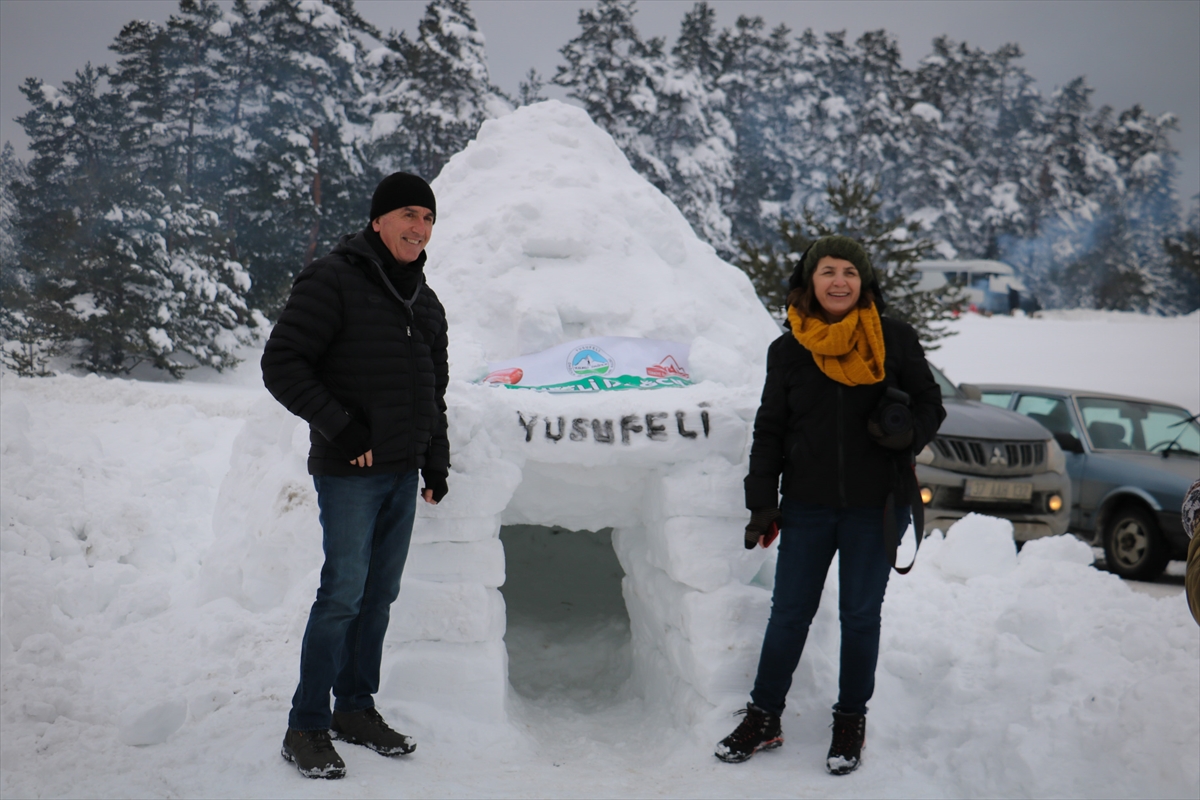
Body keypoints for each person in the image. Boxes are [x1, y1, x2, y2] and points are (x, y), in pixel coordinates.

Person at [714, 235, 945, 774]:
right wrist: (761, 504)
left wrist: (907, 434)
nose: (839, 281)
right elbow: (770, 428)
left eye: (848, 271)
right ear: (809, 280)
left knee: (861, 617)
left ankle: (849, 720)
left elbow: (932, 402)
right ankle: (764, 716)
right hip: (808, 506)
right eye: (827, 271)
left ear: (864, 280)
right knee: (788, 614)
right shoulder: (789, 348)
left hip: (876, 506)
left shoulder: (894, 338)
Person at [261, 172, 450, 780]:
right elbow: (282, 363)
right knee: (342, 595)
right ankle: (307, 724)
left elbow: (432, 392)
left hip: (401, 471)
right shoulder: (333, 279)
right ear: (378, 220)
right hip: (349, 471)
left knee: (379, 596)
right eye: (408, 215)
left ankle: (355, 708)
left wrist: (435, 457)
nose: (418, 228)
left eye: (427, 218)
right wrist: (344, 430)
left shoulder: (425, 300)